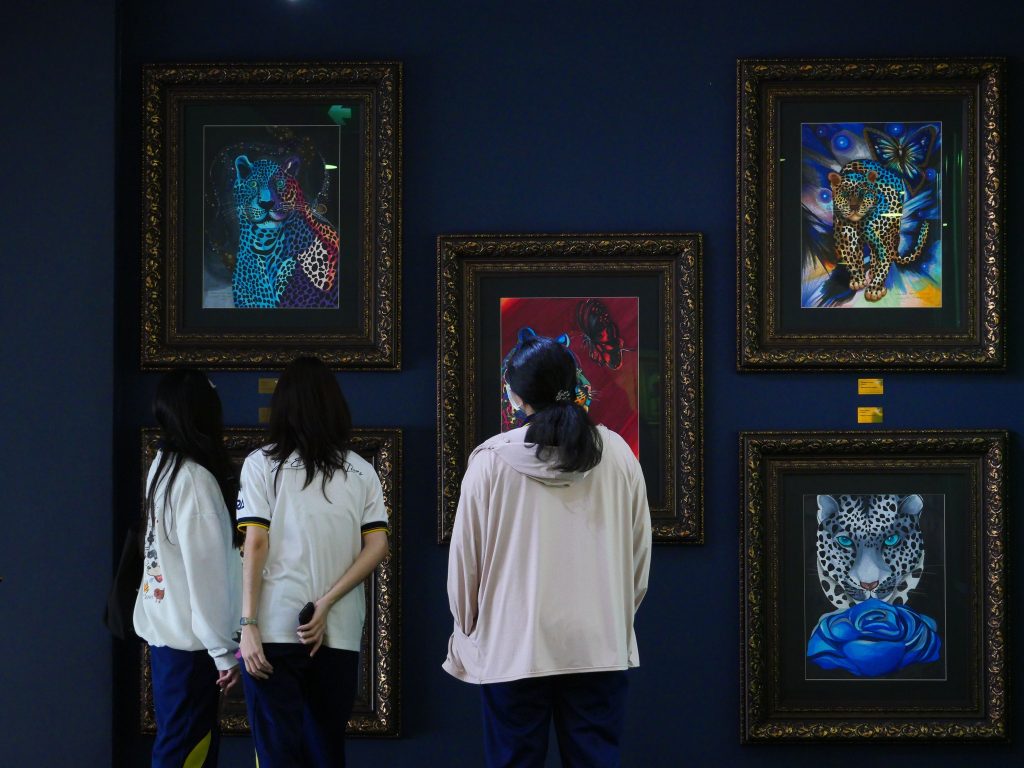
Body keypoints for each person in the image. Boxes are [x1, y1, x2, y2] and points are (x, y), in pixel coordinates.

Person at [444, 334, 652, 767]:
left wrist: (468, 628)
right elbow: (638, 558)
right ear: (573, 383)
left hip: (512, 643)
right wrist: (616, 615)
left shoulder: (490, 462)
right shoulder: (617, 454)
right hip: (598, 642)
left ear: (517, 396)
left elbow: (465, 564)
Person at [237, 356, 389, 767]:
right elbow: (377, 546)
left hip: (272, 632)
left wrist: (247, 624)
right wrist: (326, 603)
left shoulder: (261, 464)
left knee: (276, 755)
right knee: (326, 752)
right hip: (337, 632)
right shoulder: (361, 471)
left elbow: (256, 543)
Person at [133, 369, 242, 768]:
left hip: (169, 643)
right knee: (187, 753)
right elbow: (206, 581)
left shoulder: (162, 467)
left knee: (177, 748)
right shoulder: (195, 480)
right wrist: (224, 655)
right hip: (192, 651)